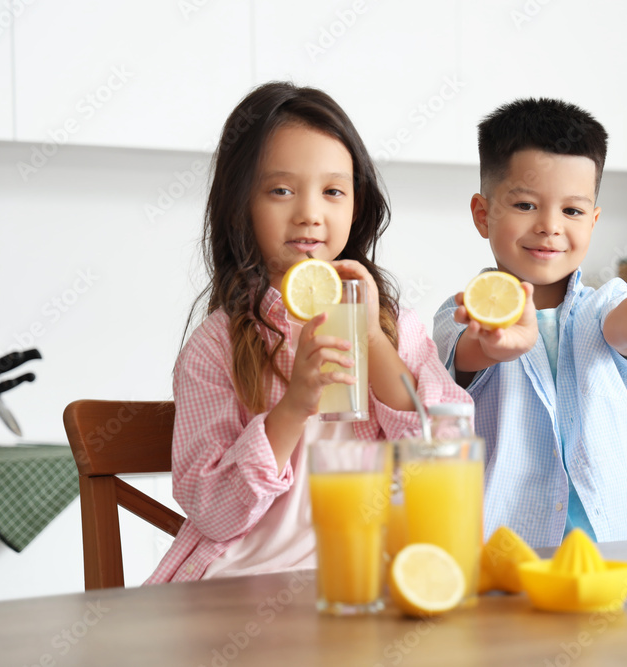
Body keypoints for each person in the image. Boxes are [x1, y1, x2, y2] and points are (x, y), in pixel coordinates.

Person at [147, 82, 469, 583]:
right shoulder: (216, 347)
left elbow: (446, 452)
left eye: (333, 191)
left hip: (365, 579)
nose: (310, 213)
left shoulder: (393, 326)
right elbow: (213, 511)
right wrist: (295, 404)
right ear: (240, 206)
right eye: (281, 190)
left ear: (357, 206)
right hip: (243, 584)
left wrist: (373, 343)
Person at [433, 98, 627, 548]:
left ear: (592, 221)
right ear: (483, 213)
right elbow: (468, 355)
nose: (550, 226)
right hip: (509, 554)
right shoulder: (463, 314)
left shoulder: (604, 304)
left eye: (572, 211)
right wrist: (496, 346)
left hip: (624, 547)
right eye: (526, 205)